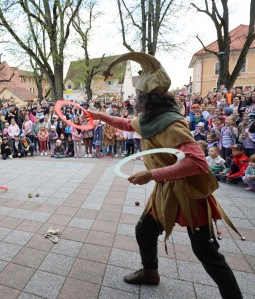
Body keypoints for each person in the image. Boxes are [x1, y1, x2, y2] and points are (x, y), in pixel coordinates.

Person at [88, 52, 243, 299]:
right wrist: (101, 117)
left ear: (148, 99)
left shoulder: (170, 124)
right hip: (166, 191)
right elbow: (131, 125)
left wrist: (151, 174)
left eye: (139, 95)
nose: (135, 99)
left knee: (206, 251)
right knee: (145, 231)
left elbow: (197, 161)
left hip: (189, 193)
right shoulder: (151, 118)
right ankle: (150, 273)